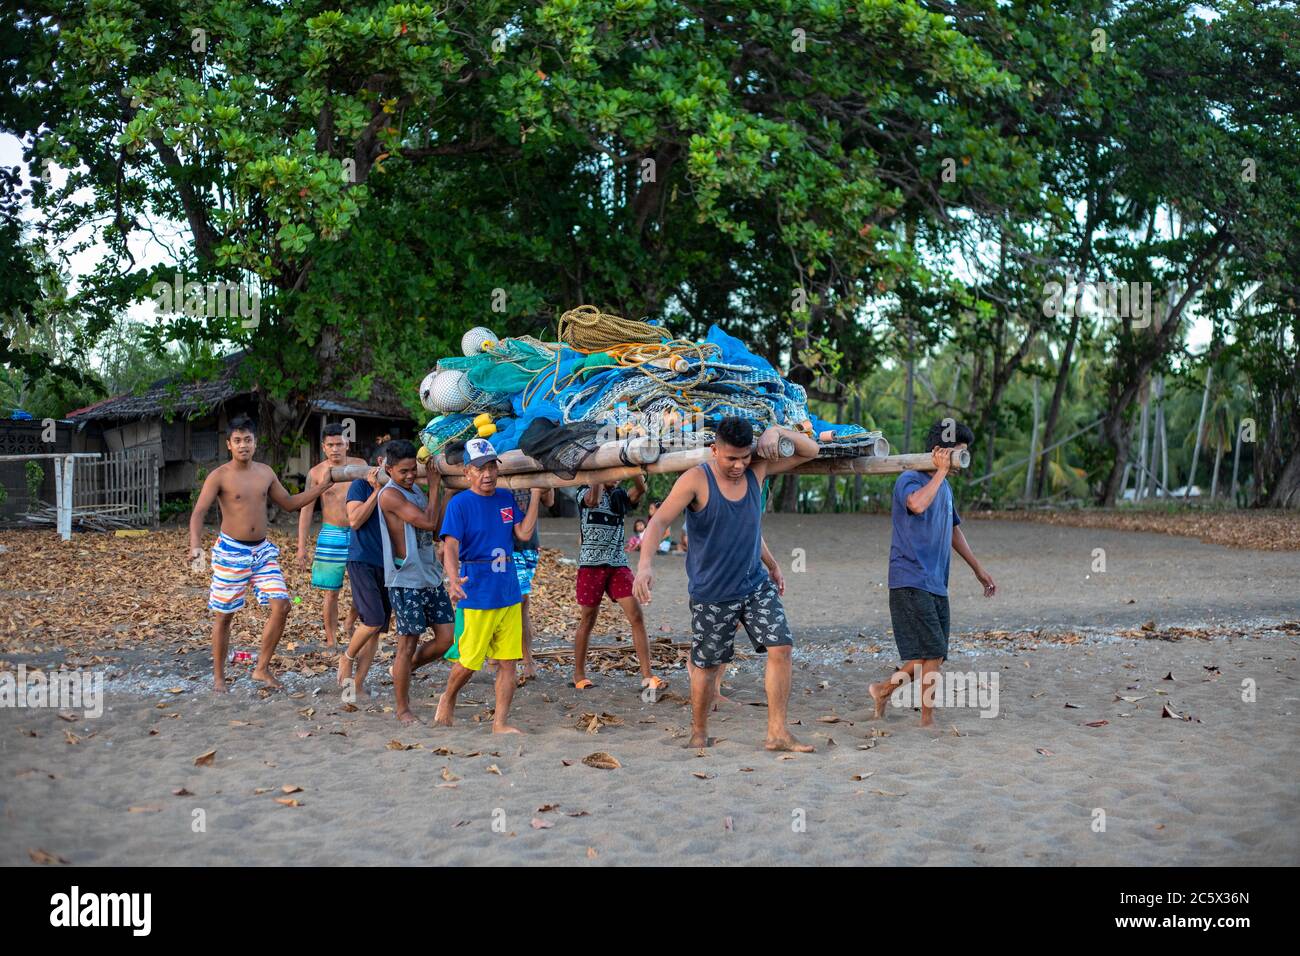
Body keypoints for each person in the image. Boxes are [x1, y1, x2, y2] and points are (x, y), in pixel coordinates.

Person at [634, 416, 818, 751]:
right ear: (713, 449)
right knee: (707, 665)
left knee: (782, 647)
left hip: (755, 585)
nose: (738, 465)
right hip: (713, 593)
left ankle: (777, 732)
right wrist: (645, 565)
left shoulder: (756, 471)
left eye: (744, 457)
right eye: (730, 457)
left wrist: (777, 433)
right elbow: (659, 520)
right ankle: (699, 732)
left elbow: (811, 449)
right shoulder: (696, 480)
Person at [188, 415, 335, 692]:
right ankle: (219, 678)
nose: (243, 445)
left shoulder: (265, 472)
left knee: (282, 604)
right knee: (224, 615)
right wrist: (195, 546)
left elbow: (290, 503)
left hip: (263, 551)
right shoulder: (219, 475)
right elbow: (198, 514)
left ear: (255, 443)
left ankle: (261, 669)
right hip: (231, 550)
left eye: (248, 440)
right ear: (229, 444)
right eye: (237, 440)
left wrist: (322, 487)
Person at [868, 420, 997, 726]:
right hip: (909, 578)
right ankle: (927, 720)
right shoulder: (909, 479)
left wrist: (979, 570)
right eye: (958, 454)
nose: (961, 462)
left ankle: (883, 691)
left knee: (931, 654)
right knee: (932, 652)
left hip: (937, 581)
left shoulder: (946, 486)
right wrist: (939, 471)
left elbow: (953, 530)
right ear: (940, 452)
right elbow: (916, 505)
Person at [434, 438, 540, 734]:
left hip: (507, 589)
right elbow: (451, 546)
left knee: (508, 663)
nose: (487, 474)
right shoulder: (460, 504)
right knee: (469, 662)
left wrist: (535, 495)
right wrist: (453, 578)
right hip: (476, 590)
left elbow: (523, 532)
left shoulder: (506, 498)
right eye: (480, 468)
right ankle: (448, 695)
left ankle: (500, 723)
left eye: (492, 467)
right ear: (467, 472)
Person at [376, 440, 457, 725]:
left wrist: (444, 492)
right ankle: (402, 708)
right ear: (388, 469)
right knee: (407, 644)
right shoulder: (389, 496)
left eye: (414, 470)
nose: (411, 476)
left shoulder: (416, 491)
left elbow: (435, 530)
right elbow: (425, 521)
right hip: (406, 578)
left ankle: (402, 671)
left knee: (447, 638)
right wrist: (435, 487)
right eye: (403, 471)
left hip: (430, 575)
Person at [571, 475, 665, 694]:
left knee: (636, 615)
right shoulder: (583, 492)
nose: (615, 477)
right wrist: (598, 473)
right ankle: (579, 673)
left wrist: (631, 470)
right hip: (591, 564)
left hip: (617, 564)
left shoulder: (620, 496)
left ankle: (647, 675)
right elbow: (592, 500)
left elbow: (641, 488)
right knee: (588, 618)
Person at [297, 423, 367, 647]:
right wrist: (301, 547)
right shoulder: (316, 472)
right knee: (331, 592)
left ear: (347, 444)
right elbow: (306, 510)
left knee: (364, 586)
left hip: (359, 531)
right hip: (331, 533)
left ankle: (349, 622)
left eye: (339, 444)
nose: (335, 449)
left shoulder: (360, 466)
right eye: (331, 445)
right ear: (324, 447)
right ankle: (331, 639)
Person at [335, 448, 391, 701]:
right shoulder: (360, 486)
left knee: (376, 629)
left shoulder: (400, 488)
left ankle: (356, 686)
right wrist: (377, 492)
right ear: (380, 462)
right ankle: (346, 658)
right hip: (362, 559)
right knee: (374, 619)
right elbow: (355, 520)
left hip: (389, 564)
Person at [511, 486, 554, 682]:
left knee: (522, 603)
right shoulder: (500, 467)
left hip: (530, 547)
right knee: (518, 599)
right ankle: (519, 659)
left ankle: (524, 657)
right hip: (507, 544)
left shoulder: (533, 467)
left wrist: (543, 479)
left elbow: (550, 500)